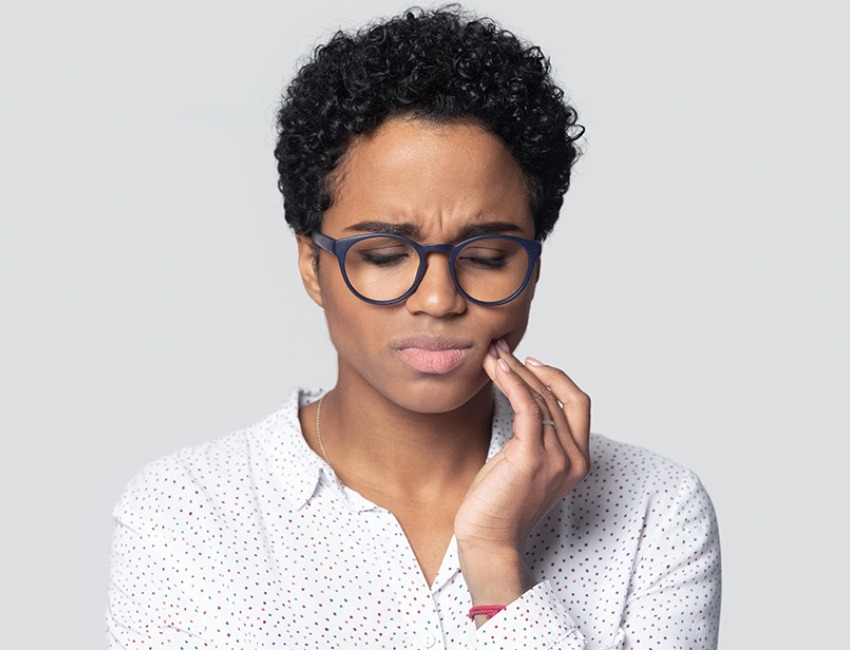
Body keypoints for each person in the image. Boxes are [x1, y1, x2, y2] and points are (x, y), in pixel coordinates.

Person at [107, 6, 721, 649]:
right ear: (312, 265)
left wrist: (495, 570)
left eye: (486, 257)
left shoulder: (653, 511)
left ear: (533, 266)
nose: (437, 298)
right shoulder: (184, 515)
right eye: (383, 255)